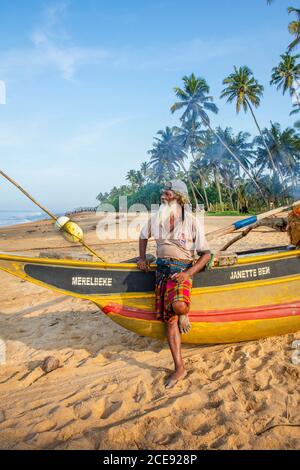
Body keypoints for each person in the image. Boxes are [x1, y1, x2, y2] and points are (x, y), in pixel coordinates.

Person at [137, 180, 211, 388]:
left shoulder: (192, 221)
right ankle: (180, 368)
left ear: (178, 196)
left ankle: (184, 313)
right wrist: (141, 258)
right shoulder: (156, 218)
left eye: (167, 193)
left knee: (178, 306)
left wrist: (188, 274)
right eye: (163, 193)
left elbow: (206, 254)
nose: (163, 195)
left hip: (181, 271)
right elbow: (142, 237)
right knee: (169, 322)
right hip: (161, 271)